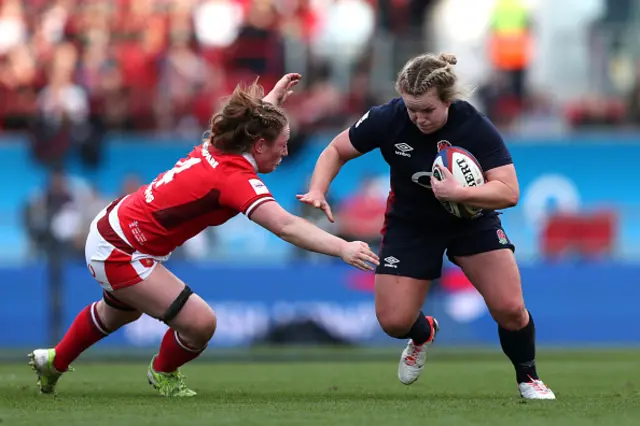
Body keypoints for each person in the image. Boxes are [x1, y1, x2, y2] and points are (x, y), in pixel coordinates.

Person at [29, 73, 380, 397]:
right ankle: (162, 372)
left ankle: (53, 361)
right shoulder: (234, 178)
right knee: (200, 323)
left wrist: (271, 100)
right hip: (120, 248)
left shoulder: (221, 146)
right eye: (282, 144)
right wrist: (342, 247)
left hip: (115, 228)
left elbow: (250, 128)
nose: (285, 151)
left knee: (118, 313)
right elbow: (285, 226)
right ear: (258, 146)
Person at [297, 54, 556, 400]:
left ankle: (529, 378)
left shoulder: (473, 125)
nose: (418, 118)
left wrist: (460, 193)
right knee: (393, 322)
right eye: (411, 109)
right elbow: (336, 149)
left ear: (448, 100)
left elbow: (509, 191)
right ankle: (423, 333)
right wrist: (318, 189)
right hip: (411, 224)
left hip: (470, 221)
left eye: (427, 110)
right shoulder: (387, 118)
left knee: (510, 308)